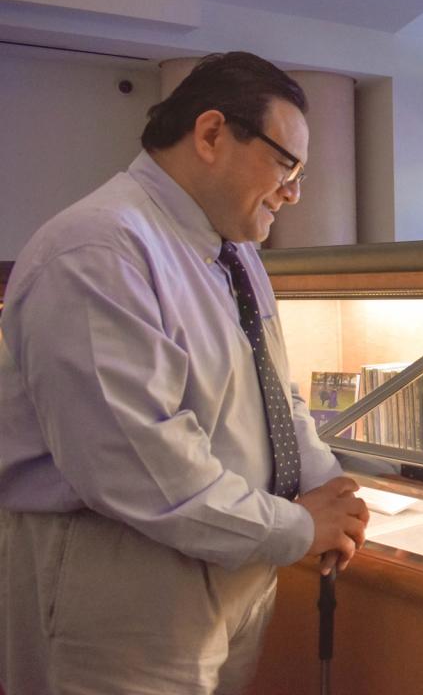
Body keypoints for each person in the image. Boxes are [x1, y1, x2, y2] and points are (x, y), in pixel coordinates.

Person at [0, 52, 369, 694]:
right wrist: (300, 526)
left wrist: (330, 488)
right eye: (287, 165)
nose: (295, 193)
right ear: (211, 134)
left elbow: (274, 394)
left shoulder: (234, 251)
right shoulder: (98, 250)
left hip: (232, 571)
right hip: (125, 595)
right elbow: (143, 469)